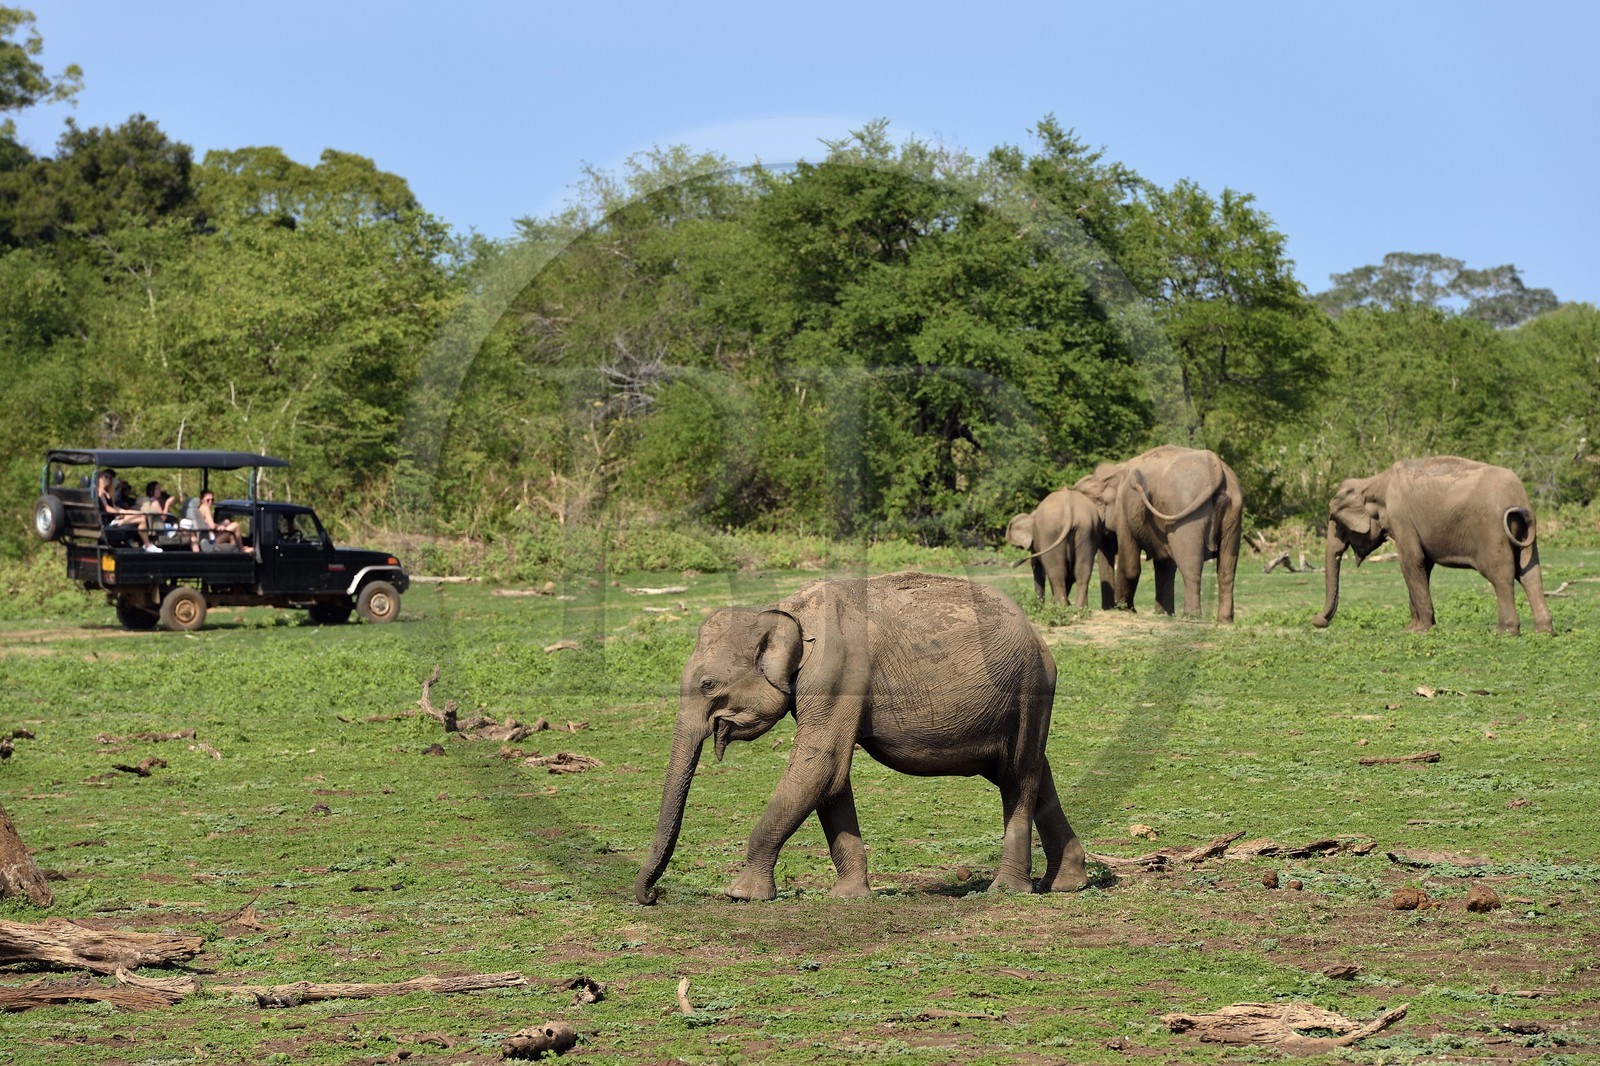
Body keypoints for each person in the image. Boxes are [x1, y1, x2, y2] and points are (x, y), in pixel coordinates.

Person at [95, 470, 161, 552]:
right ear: (99, 477)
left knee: (141, 515)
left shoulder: (107, 492)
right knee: (141, 519)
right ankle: (147, 545)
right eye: (106, 476)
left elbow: (114, 507)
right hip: (108, 524)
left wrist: (127, 512)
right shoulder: (100, 491)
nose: (108, 479)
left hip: (114, 519)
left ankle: (143, 543)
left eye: (110, 478)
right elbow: (107, 508)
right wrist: (121, 513)